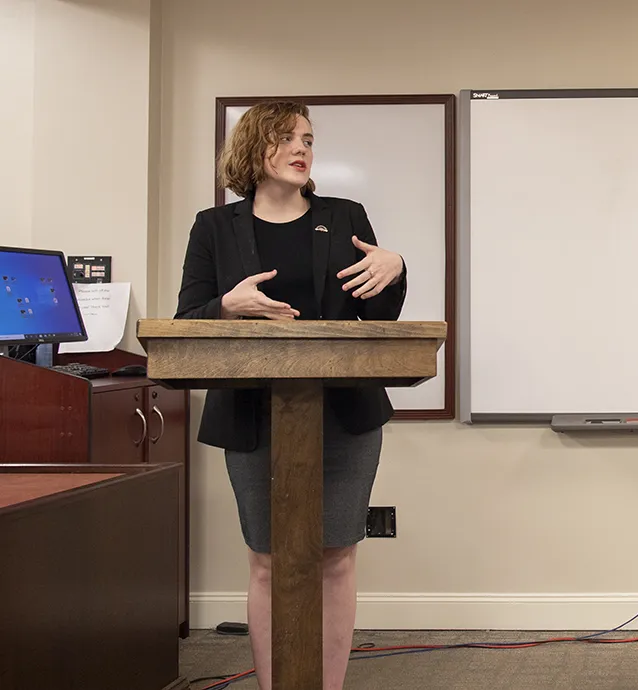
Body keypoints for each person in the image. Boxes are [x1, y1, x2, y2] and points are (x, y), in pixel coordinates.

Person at [174, 100, 407, 690]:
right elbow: (188, 320)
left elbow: (376, 313)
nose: (301, 149)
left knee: (336, 556)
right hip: (252, 415)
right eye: (285, 138)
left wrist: (396, 266)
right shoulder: (214, 226)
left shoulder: (344, 213)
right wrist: (227, 306)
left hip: (345, 413)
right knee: (267, 560)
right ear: (253, 148)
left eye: (308, 139)